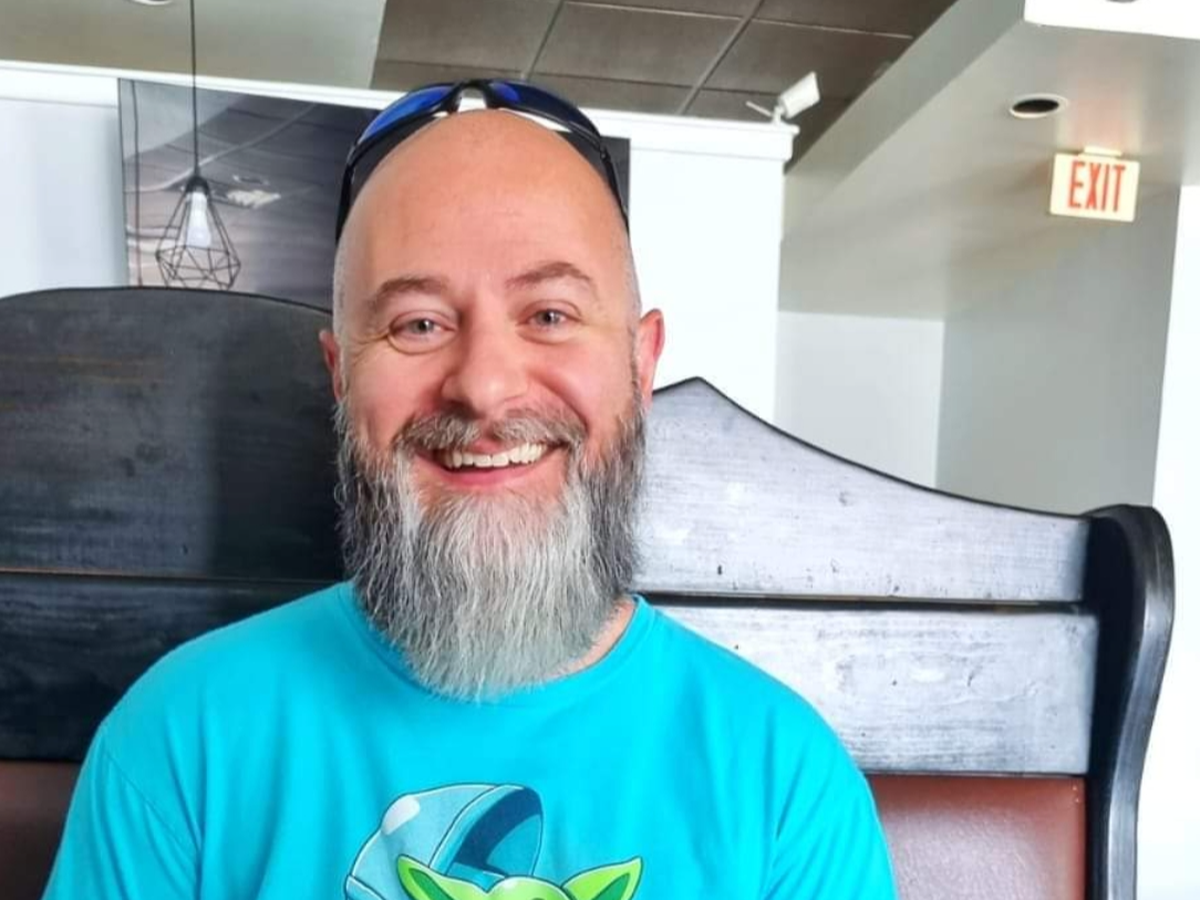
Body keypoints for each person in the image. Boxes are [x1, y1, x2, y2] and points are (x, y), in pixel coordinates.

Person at [43, 81, 895, 900]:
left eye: (550, 315)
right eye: (418, 324)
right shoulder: (180, 739)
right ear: (341, 377)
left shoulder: (785, 782)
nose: (484, 387)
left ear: (640, 364)